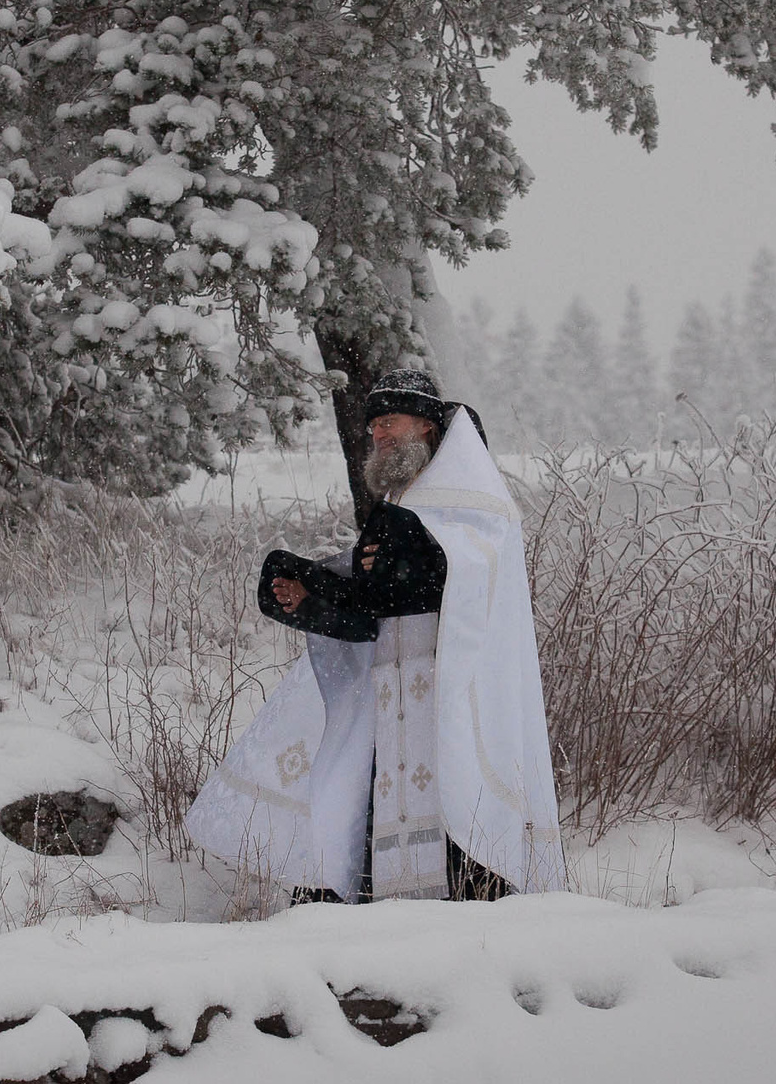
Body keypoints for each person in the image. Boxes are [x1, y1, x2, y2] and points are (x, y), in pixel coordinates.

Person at [187, 369, 563, 904]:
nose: (378, 435)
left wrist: (383, 566)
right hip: (391, 697)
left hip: (453, 698)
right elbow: (376, 611)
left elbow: (448, 585)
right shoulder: (404, 507)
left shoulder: (477, 502)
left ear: (428, 425)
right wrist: (309, 594)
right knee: (371, 805)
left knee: (460, 822)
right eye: (372, 427)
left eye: (389, 422)